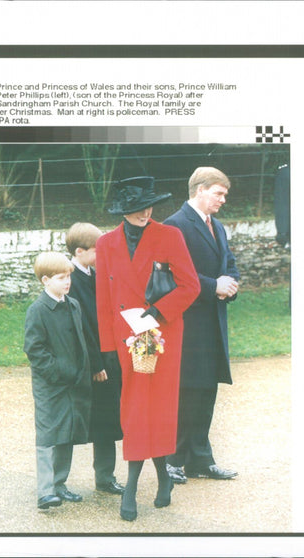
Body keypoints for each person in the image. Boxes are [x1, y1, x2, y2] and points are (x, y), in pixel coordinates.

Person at [95, 176, 200, 521]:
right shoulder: (107, 243)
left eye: (149, 205)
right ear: (123, 210)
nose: (145, 212)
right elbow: (103, 299)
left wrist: (156, 313)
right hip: (126, 340)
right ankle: (151, 481)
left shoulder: (170, 235)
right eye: (137, 207)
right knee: (135, 409)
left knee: (156, 408)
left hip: (162, 335)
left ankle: (140, 484)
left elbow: (191, 286)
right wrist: (107, 345)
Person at [163, 167, 240, 484]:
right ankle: (173, 460)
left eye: (224, 195)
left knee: (206, 390)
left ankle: (200, 459)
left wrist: (231, 283)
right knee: (184, 392)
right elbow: (169, 275)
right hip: (186, 322)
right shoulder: (174, 226)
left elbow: (230, 264)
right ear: (200, 190)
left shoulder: (217, 226)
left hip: (212, 322)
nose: (223, 200)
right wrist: (213, 286)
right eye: (218, 193)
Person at [23, 251, 92, 510]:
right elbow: (35, 350)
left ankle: (60, 484)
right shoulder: (38, 310)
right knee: (48, 435)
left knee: (67, 432)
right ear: (45, 280)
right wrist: (57, 373)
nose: (67, 282)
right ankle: (45, 491)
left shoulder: (72, 304)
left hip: (74, 382)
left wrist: (82, 371)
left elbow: (80, 342)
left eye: (68, 277)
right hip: (50, 385)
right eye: (61, 278)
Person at [66, 222, 125, 496]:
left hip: (108, 356)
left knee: (107, 419)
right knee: (87, 420)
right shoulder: (71, 280)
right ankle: (58, 481)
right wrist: (96, 363)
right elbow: (82, 326)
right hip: (92, 362)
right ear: (79, 251)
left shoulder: (94, 274)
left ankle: (105, 477)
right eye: (97, 251)